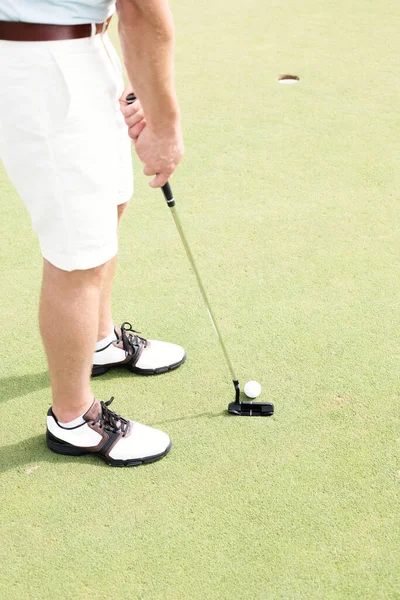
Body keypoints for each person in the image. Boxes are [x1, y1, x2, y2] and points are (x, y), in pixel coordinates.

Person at [0, 0, 184, 467]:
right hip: (45, 64)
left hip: (81, 48)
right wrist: (165, 126)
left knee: (110, 203)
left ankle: (100, 342)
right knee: (78, 248)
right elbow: (143, 13)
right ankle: (73, 418)